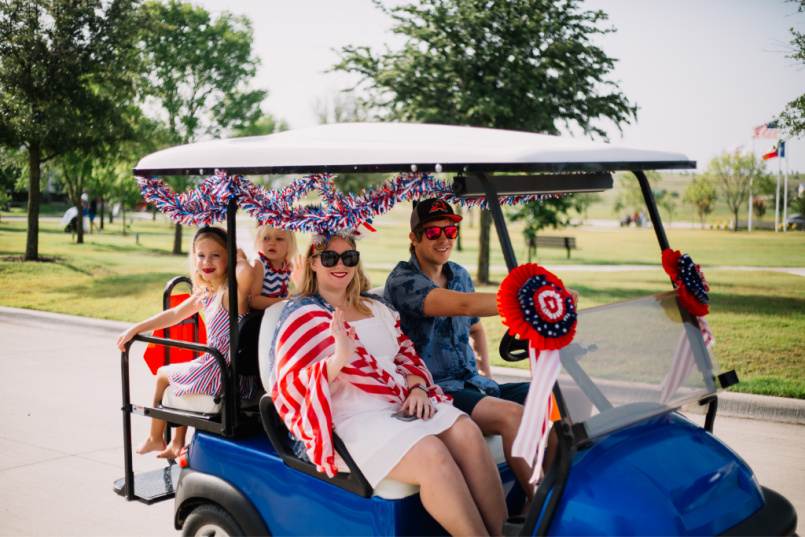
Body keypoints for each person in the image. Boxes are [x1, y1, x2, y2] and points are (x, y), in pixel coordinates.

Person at [270, 230, 507, 536]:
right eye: (329, 257)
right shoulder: (301, 316)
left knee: (468, 435)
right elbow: (289, 387)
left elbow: (406, 354)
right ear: (313, 263)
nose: (340, 264)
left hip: (401, 401)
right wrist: (338, 359)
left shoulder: (376, 307)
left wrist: (418, 386)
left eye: (349, 257)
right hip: (353, 416)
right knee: (433, 454)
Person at [384, 198, 578, 508]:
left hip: (471, 382)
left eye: (450, 230)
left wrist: (485, 370)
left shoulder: (459, 273)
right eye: (433, 233)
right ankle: (546, 506)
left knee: (553, 396)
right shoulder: (403, 282)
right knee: (513, 415)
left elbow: (473, 327)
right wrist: (533, 299)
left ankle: (548, 496)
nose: (444, 239)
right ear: (414, 238)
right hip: (436, 389)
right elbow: (463, 305)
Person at [116, 226, 256, 459]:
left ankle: (155, 438)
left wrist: (236, 254)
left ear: (229, 257)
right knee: (181, 371)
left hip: (222, 371)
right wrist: (136, 328)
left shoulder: (231, 293)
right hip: (222, 367)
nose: (206, 261)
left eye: (216, 255)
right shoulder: (208, 291)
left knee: (163, 373)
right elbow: (174, 314)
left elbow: (246, 270)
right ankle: (176, 443)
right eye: (200, 255)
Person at [249, 225, 299, 310]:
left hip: (278, 311)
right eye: (266, 238)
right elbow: (254, 301)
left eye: (279, 239)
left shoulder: (287, 265)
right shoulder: (260, 264)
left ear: (289, 244)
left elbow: (282, 293)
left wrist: (294, 297)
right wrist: (285, 301)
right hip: (260, 316)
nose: (272, 243)